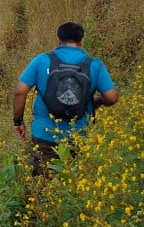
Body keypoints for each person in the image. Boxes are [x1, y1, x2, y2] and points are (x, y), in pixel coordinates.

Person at [13, 22, 118, 175]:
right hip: (77, 135)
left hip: (44, 134)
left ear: (58, 39)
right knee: (72, 185)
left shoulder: (42, 60)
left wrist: (18, 122)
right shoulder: (94, 65)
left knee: (43, 185)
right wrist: (99, 100)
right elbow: (112, 97)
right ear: (81, 41)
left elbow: (20, 92)